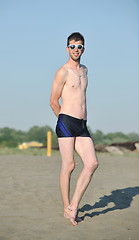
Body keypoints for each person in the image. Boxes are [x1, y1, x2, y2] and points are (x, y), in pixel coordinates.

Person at [50, 32, 98, 226]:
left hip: (82, 125)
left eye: (79, 46)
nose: (76, 49)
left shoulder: (85, 70)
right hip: (67, 122)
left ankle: (74, 205)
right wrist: (63, 120)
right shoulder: (63, 71)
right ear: (67, 48)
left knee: (92, 163)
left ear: (83, 49)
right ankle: (66, 206)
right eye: (72, 46)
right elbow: (53, 102)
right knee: (68, 166)